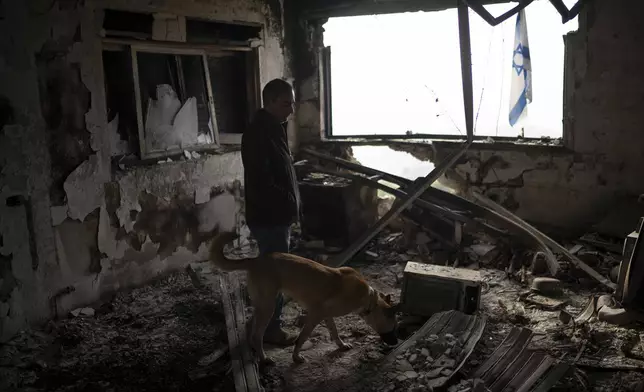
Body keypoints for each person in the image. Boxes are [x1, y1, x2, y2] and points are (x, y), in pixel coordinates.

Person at [241, 78, 300, 346]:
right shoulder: (258, 133)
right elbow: (264, 182)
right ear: (272, 101)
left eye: (293, 102)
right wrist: (287, 200)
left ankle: (262, 324)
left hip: (277, 215)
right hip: (269, 217)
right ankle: (271, 330)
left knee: (273, 273)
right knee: (275, 277)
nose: (292, 109)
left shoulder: (276, 128)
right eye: (287, 103)